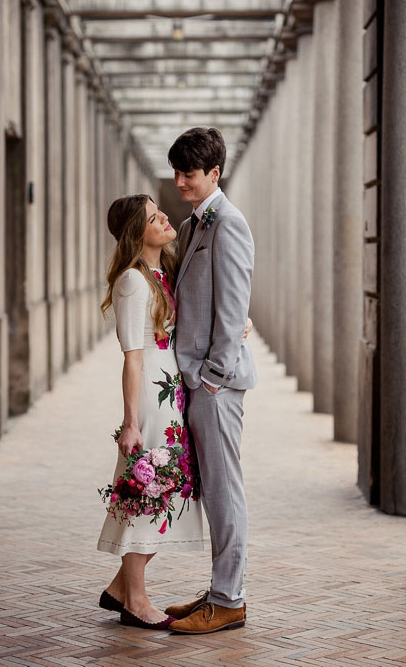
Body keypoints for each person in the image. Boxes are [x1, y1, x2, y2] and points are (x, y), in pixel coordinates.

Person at [96, 194, 207, 630]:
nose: (164, 219)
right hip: (151, 401)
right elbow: (133, 357)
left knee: (165, 492)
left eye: (160, 212)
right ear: (135, 232)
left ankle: (120, 589)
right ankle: (136, 601)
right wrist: (131, 422)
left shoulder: (163, 273)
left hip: (171, 394)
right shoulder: (133, 281)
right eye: (152, 218)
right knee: (150, 494)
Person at [164, 127, 257, 635]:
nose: (180, 182)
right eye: (176, 173)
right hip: (200, 380)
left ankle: (229, 599)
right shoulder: (196, 223)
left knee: (224, 491)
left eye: (189, 174)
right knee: (215, 490)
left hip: (214, 384)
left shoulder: (229, 223)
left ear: (214, 174)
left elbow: (234, 302)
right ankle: (222, 588)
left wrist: (213, 377)